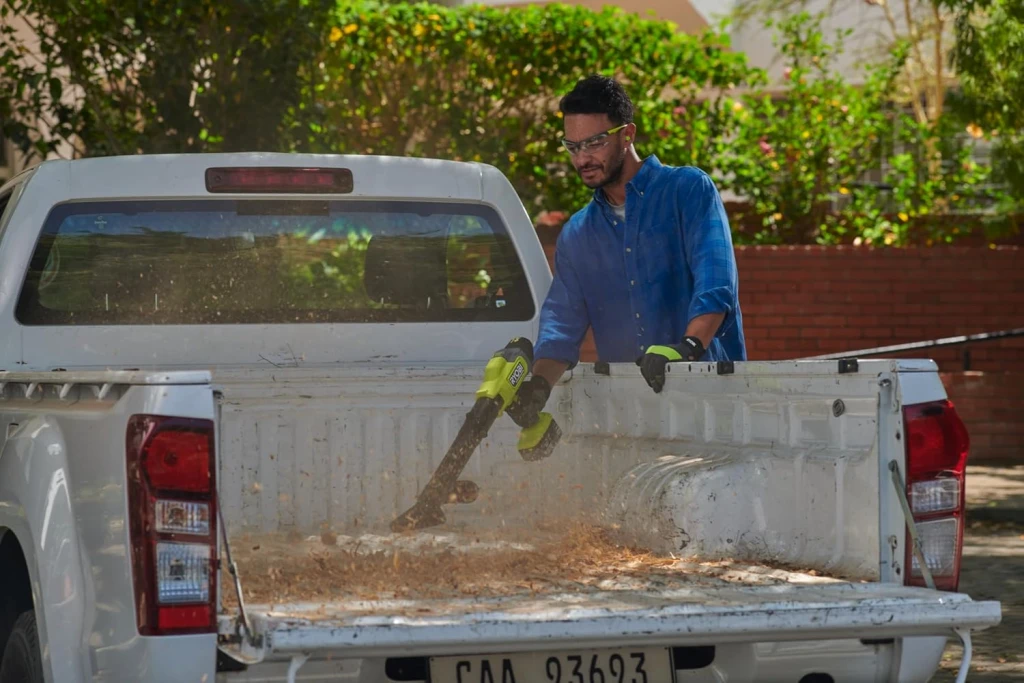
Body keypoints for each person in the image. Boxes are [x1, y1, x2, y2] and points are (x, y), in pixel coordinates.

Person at [505, 74, 745, 428]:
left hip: (711, 405)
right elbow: (562, 325)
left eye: (594, 143)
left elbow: (716, 283)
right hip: (632, 417)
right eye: (573, 147)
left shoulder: (687, 190)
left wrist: (687, 348)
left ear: (627, 134)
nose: (582, 158)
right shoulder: (578, 234)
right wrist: (538, 388)